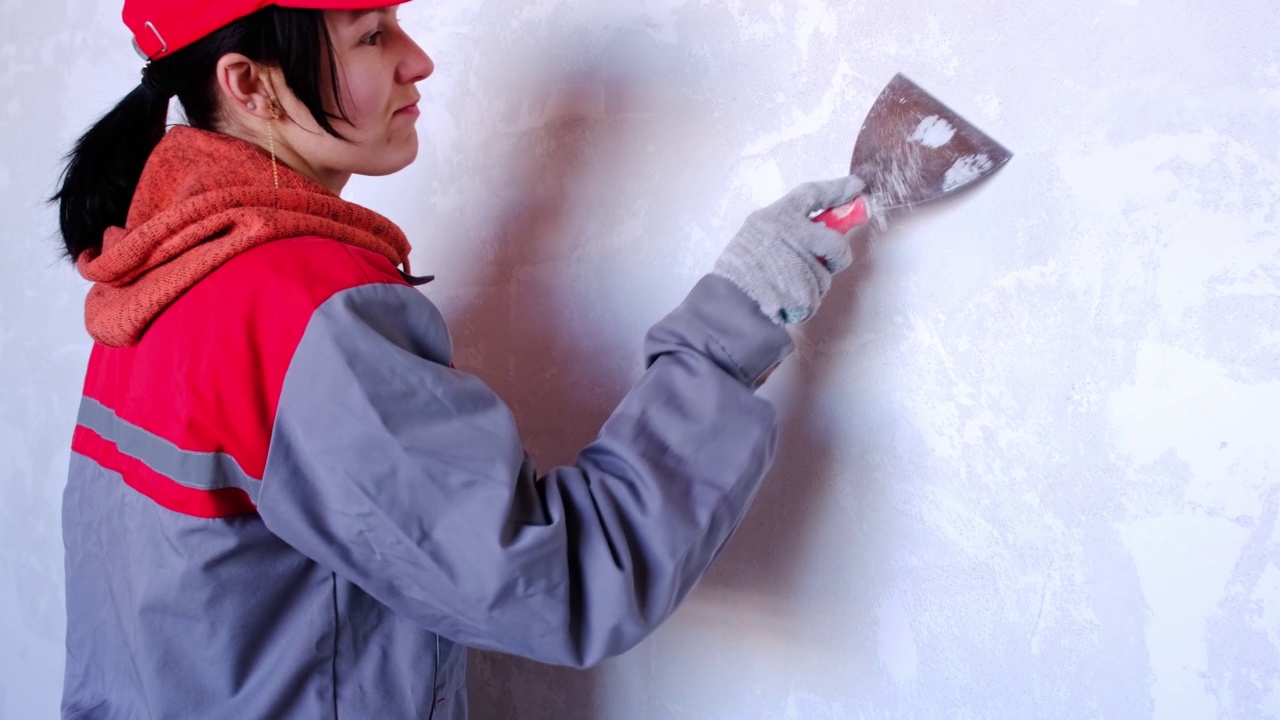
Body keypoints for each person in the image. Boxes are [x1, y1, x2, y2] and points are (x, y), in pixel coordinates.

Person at [52, 1, 871, 717]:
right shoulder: (296, 308)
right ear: (251, 85)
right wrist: (738, 320)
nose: (419, 59)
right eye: (372, 36)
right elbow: (574, 579)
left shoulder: (160, 262)